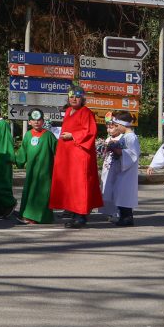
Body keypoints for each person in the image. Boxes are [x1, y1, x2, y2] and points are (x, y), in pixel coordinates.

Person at [49, 85, 101, 229]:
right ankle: (72, 210)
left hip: (80, 154)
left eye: (77, 97)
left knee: (80, 184)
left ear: (82, 99)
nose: (74, 99)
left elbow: (90, 132)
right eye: (71, 96)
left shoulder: (86, 112)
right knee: (70, 184)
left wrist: (73, 135)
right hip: (68, 155)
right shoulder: (68, 111)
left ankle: (81, 216)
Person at [14, 108, 56, 224]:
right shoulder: (28, 135)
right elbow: (23, 152)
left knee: (43, 193)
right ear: (29, 122)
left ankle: (41, 217)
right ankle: (28, 215)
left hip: (45, 172)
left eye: (39, 119)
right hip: (31, 171)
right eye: (33, 120)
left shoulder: (49, 135)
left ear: (43, 121)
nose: (36, 122)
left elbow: (58, 151)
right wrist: (15, 160)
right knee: (30, 191)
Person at [100, 112, 140, 227]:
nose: (116, 128)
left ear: (123, 125)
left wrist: (116, 149)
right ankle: (123, 216)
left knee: (124, 194)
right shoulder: (126, 136)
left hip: (127, 172)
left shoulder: (131, 137)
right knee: (119, 193)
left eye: (117, 126)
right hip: (121, 170)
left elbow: (132, 154)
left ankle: (127, 218)